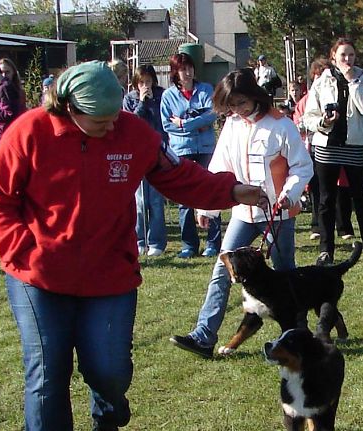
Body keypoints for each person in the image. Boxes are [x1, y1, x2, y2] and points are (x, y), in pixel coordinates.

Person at [0, 61, 265, 431]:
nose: (112, 124)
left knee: (110, 370)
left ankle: (108, 407)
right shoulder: (29, 132)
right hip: (37, 276)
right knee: (46, 374)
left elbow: (177, 176)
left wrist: (230, 192)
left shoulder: (133, 134)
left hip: (109, 273)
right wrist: (22, 251)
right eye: (101, 119)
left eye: (116, 116)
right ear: (68, 107)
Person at [170, 68, 313, 358]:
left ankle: (298, 334)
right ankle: (204, 336)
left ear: (255, 96)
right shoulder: (232, 126)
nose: (236, 110)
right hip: (243, 214)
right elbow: (219, 169)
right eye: (231, 105)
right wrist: (206, 207)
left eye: (241, 103)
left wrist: (288, 195)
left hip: (277, 215)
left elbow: (302, 166)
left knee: (285, 276)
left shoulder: (281, 125)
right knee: (222, 269)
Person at [303, 38, 363, 265]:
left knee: (361, 199)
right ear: (333, 58)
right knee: (326, 200)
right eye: (342, 56)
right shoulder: (321, 82)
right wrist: (324, 123)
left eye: (351, 55)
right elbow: (309, 116)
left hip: (355, 145)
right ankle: (326, 250)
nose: (347, 60)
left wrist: (352, 82)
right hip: (327, 146)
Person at [161, 52, 221, 258]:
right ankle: (189, 244)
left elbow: (211, 114)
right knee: (184, 199)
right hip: (181, 151)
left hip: (205, 149)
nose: (188, 72)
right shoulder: (168, 96)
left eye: (190, 67)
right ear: (175, 73)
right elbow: (168, 125)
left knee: (210, 194)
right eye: (183, 69)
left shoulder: (205, 90)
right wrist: (198, 124)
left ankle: (213, 243)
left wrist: (185, 123)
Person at [296, 59, 354, 241]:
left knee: (341, 187)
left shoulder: (337, 94)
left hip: (334, 146)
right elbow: (298, 121)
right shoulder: (305, 100)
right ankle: (317, 226)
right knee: (316, 189)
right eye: (318, 75)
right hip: (311, 148)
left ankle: (344, 226)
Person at [123, 64, 167, 256]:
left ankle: (157, 242)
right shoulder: (129, 99)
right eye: (142, 82)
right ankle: (140, 240)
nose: (145, 86)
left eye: (148, 82)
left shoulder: (162, 96)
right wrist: (142, 103)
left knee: (156, 201)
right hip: (137, 153)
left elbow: (162, 121)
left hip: (156, 152)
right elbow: (131, 124)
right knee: (140, 201)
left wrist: (151, 103)